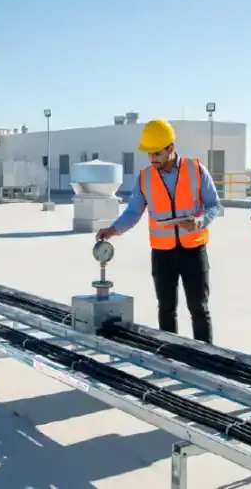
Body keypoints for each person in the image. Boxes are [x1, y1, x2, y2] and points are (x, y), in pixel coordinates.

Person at [96, 119, 221, 343]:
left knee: (199, 309)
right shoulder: (145, 177)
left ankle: (206, 359)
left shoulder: (196, 169)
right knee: (166, 309)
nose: (153, 159)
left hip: (193, 250)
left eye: (157, 154)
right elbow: (133, 212)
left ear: (171, 149)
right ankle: (170, 356)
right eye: (150, 154)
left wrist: (199, 222)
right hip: (162, 254)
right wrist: (113, 229)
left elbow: (214, 205)